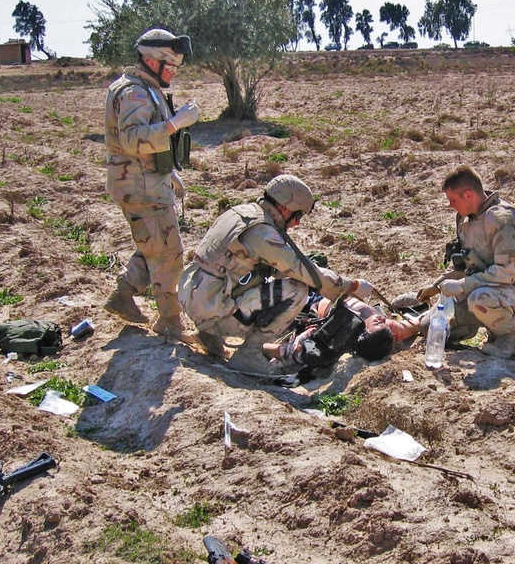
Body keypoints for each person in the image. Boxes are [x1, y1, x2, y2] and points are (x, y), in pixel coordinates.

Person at [178, 174, 376, 374]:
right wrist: (353, 286)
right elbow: (312, 276)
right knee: (298, 290)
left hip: (193, 294)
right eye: (297, 216)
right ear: (284, 208)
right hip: (211, 306)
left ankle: (208, 334)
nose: (297, 223)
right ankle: (248, 354)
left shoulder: (241, 213)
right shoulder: (262, 232)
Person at [102, 28, 200, 343]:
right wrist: (176, 123)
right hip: (140, 186)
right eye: (169, 64)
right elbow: (132, 139)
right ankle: (170, 322)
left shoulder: (146, 88)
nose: (173, 71)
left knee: (153, 244)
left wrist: (168, 173)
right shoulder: (134, 92)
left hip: (146, 182)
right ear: (150, 59)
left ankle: (123, 295)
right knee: (169, 252)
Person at [417, 165, 515, 358]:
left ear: (469, 195)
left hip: (513, 292)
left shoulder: (503, 219)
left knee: (480, 299)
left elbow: (507, 273)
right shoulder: (465, 219)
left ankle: (511, 336)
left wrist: (463, 285)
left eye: (453, 200)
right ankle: (483, 324)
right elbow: (466, 264)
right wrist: (436, 286)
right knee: (429, 327)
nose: (451, 205)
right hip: (478, 289)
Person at [263, 293, 419, 369]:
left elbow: (292, 352)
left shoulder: (335, 336)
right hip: (329, 288)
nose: (382, 319)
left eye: (378, 323)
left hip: (308, 302)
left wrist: (254, 348)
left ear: (364, 333)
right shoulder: (388, 332)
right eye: (384, 323)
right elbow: (415, 325)